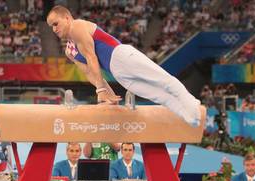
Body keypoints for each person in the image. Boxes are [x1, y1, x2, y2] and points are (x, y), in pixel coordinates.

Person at [46, 6, 201, 127]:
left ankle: (192, 104)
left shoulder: (77, 26)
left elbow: (92, 57)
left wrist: (100, 90)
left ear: (67, 18)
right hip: (117, 73)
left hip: (121, 56)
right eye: (51, 27)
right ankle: (189, 117)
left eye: (55, 24)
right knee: (157, 95)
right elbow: (90, 72)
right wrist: (109, 94)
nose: (54, 29)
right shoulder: (69, 51)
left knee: (163, 81)